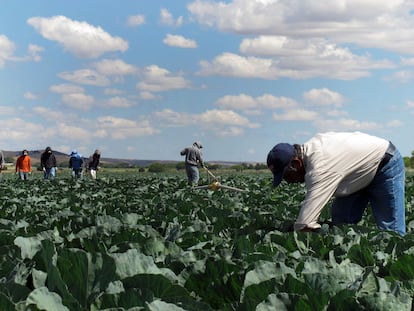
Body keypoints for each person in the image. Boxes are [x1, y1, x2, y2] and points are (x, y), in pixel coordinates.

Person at [267, 131, 406, 236]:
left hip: (385, 163)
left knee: (391, 232)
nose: (289, 182)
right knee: (341, 222)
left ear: (296, 164)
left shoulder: (320, 167)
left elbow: (305, 223)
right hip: (355, 172)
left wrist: (295, 238)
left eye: (287, 176)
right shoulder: (311, 150)